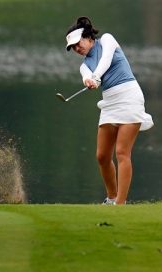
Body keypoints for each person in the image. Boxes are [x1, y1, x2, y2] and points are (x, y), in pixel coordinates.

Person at [65, 16, 153, 205]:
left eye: (78, 43)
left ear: (88, 37)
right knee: (102, 156)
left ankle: (120, 203)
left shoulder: (107, 39)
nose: (77, 49)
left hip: (129, 97)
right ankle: (111, 198)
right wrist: (89, 80)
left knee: (122, 152)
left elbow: (105, 60)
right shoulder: (84, 65)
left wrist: (96, 76)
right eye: (73, 48)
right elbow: (86, 76)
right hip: (110, 103)